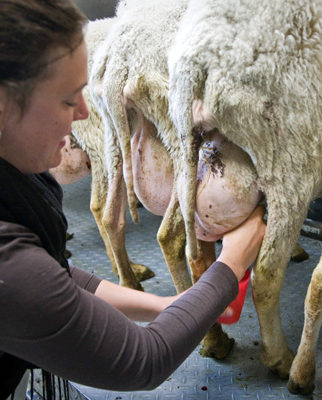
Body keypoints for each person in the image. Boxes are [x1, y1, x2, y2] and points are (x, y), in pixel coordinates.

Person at [0, 0, 266, 398]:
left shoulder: (18, 187)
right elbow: (145, 360)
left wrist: (165, 305)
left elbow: (55, 274)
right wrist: (232, 263)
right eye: (68, 99)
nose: (84, 112)